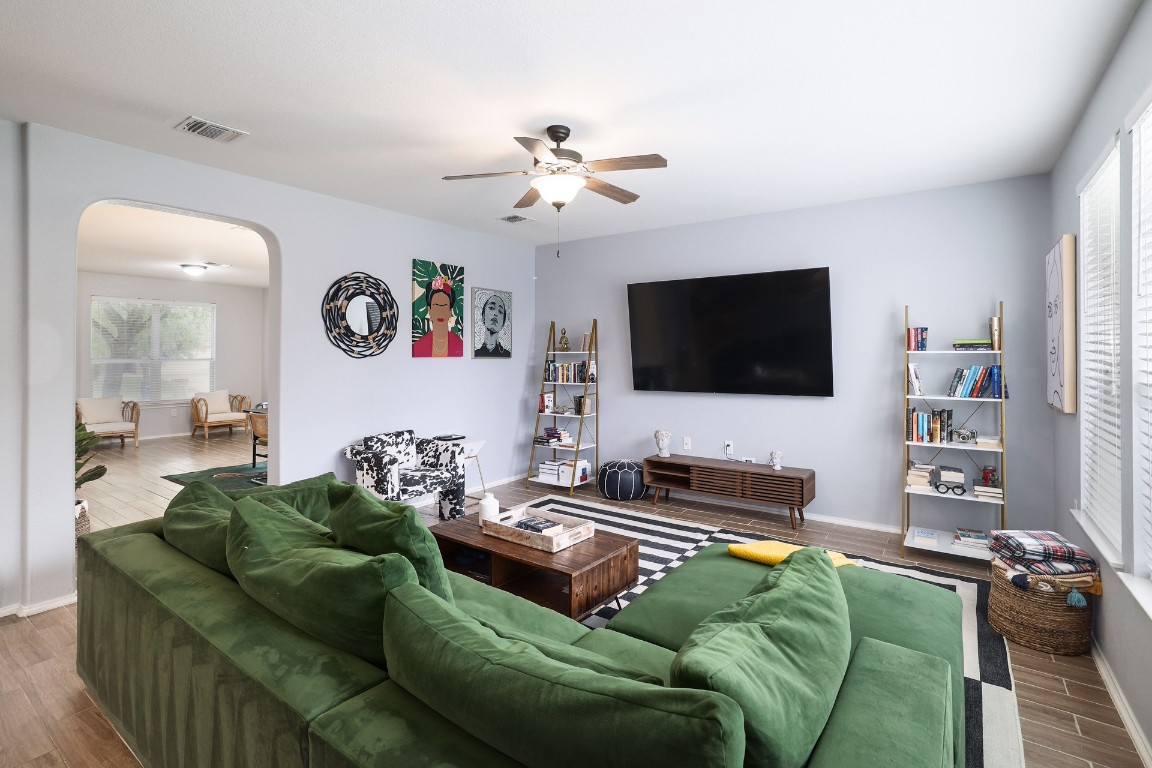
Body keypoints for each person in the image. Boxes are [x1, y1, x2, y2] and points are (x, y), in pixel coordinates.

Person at [412, 277, 463, 357]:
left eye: (444, 306)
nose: (440, 311)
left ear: (450, 311)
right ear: (429, 310)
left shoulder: (460, 344)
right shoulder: (418, 346)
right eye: (436, 305)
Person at [475, 292, 510, 357]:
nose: (495, 313)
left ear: (503, 323)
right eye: (491, 308)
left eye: (500, 311)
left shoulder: (507, 355)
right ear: (483, 316)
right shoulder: (476, 354)